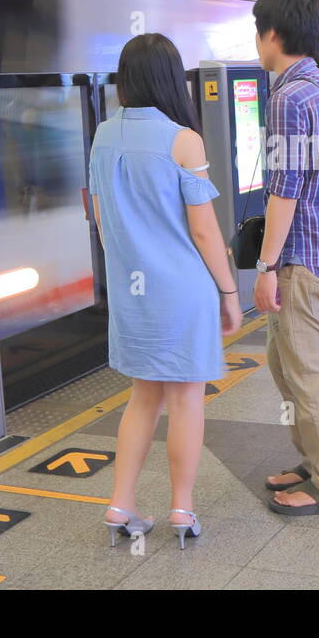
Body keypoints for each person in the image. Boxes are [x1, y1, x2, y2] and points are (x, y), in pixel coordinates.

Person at [89, 33, 242, 548]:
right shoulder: (184, 140)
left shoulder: (103, 135)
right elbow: (204, 231)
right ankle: (181, 508)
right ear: (172, 80)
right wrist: (229, 292)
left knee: (140, 398)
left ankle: (120, 504)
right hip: (182, 289)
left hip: (133, 292)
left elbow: (98, 217)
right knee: (186, 400)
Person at [252, 0, 319, 516]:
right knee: (283, 365)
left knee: (306, 376)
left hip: (299, 261)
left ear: (273, 33)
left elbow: (285, 188)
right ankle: (313, 460)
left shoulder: (290, 98)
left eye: (257, 30)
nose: (256, 41)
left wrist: (267, 266)